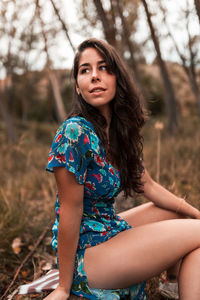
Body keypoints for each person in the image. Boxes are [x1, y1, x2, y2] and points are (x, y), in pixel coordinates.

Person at [44, 38, 200, 300]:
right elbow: (70, 211)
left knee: (178, 214)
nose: (95, 76)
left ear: (118, 78)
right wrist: (62, 286)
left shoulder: (116, 132)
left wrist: (196, 212)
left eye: (104, 68)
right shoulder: (74, 133)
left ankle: (171, 285)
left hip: (109, 228)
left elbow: (147, 186)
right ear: (78, 87)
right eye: (85, 70)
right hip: (89, 253)